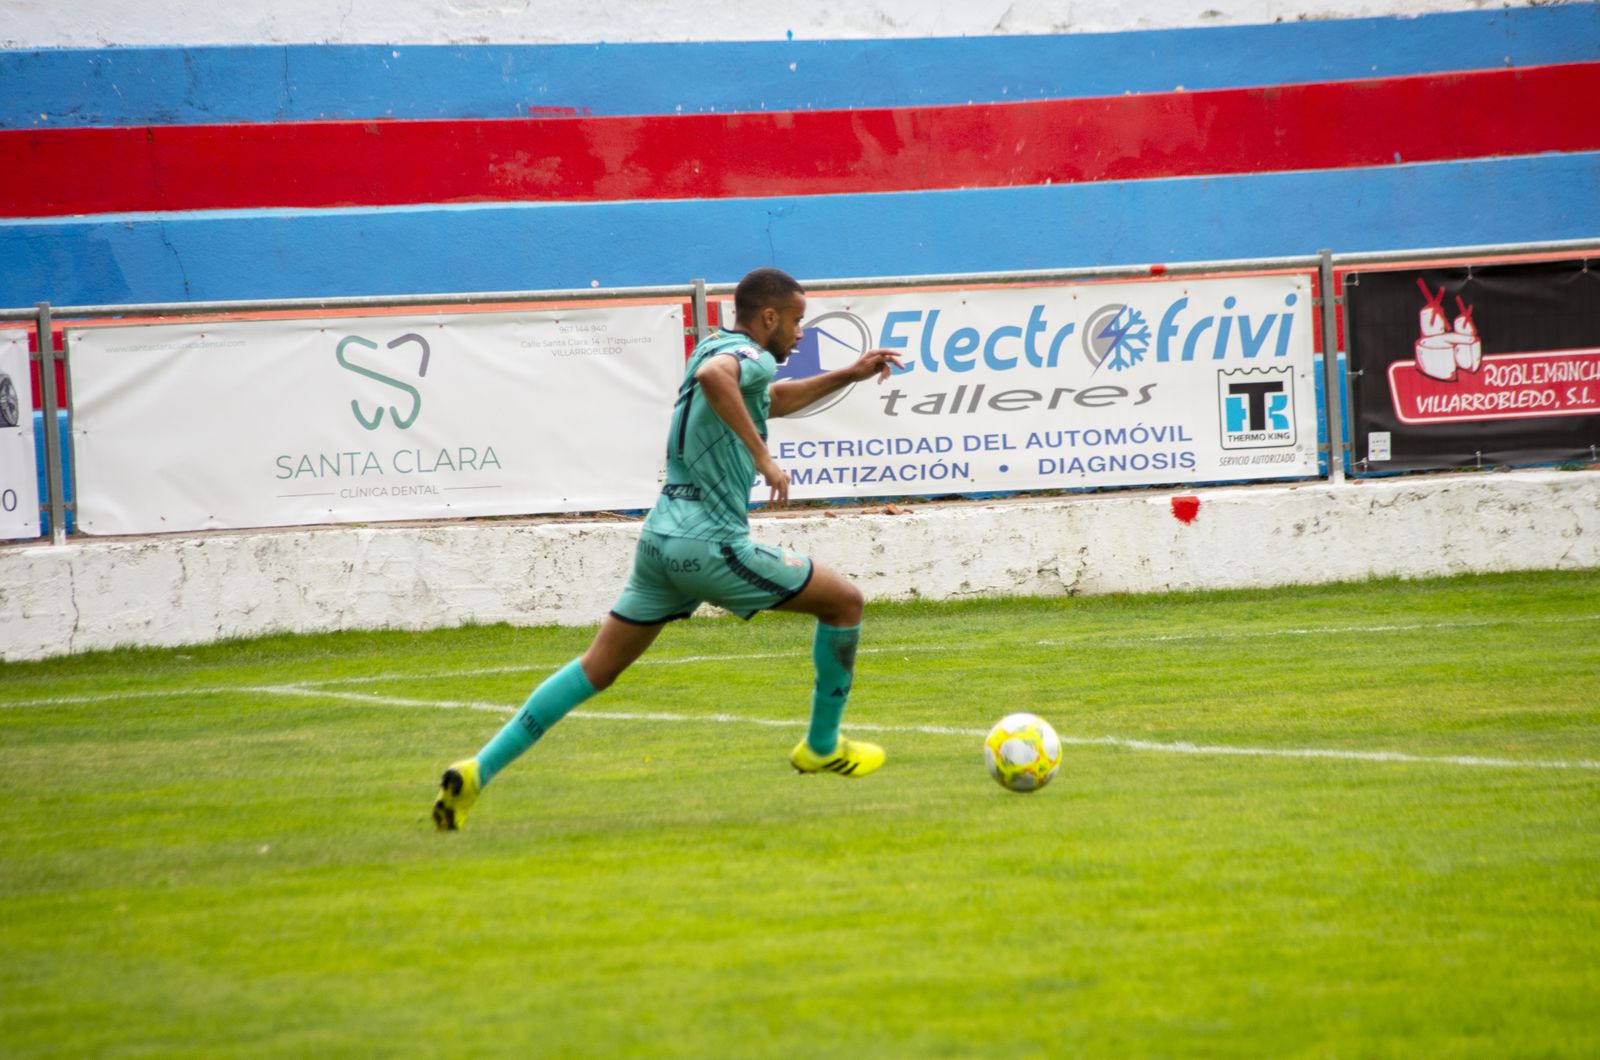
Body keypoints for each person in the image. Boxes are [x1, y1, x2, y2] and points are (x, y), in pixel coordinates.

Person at [432, 267, 905, 829]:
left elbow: (767, 399)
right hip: (711, 543)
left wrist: (849, 373)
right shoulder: (739, 358)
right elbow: (716, 379)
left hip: (661, 540)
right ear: (769, 317)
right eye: (798, 320)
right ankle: (822, 745)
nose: (802, 333)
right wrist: (761, 458)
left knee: (595, 669)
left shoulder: (719, 345)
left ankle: (478, 771)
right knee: (845, 602)